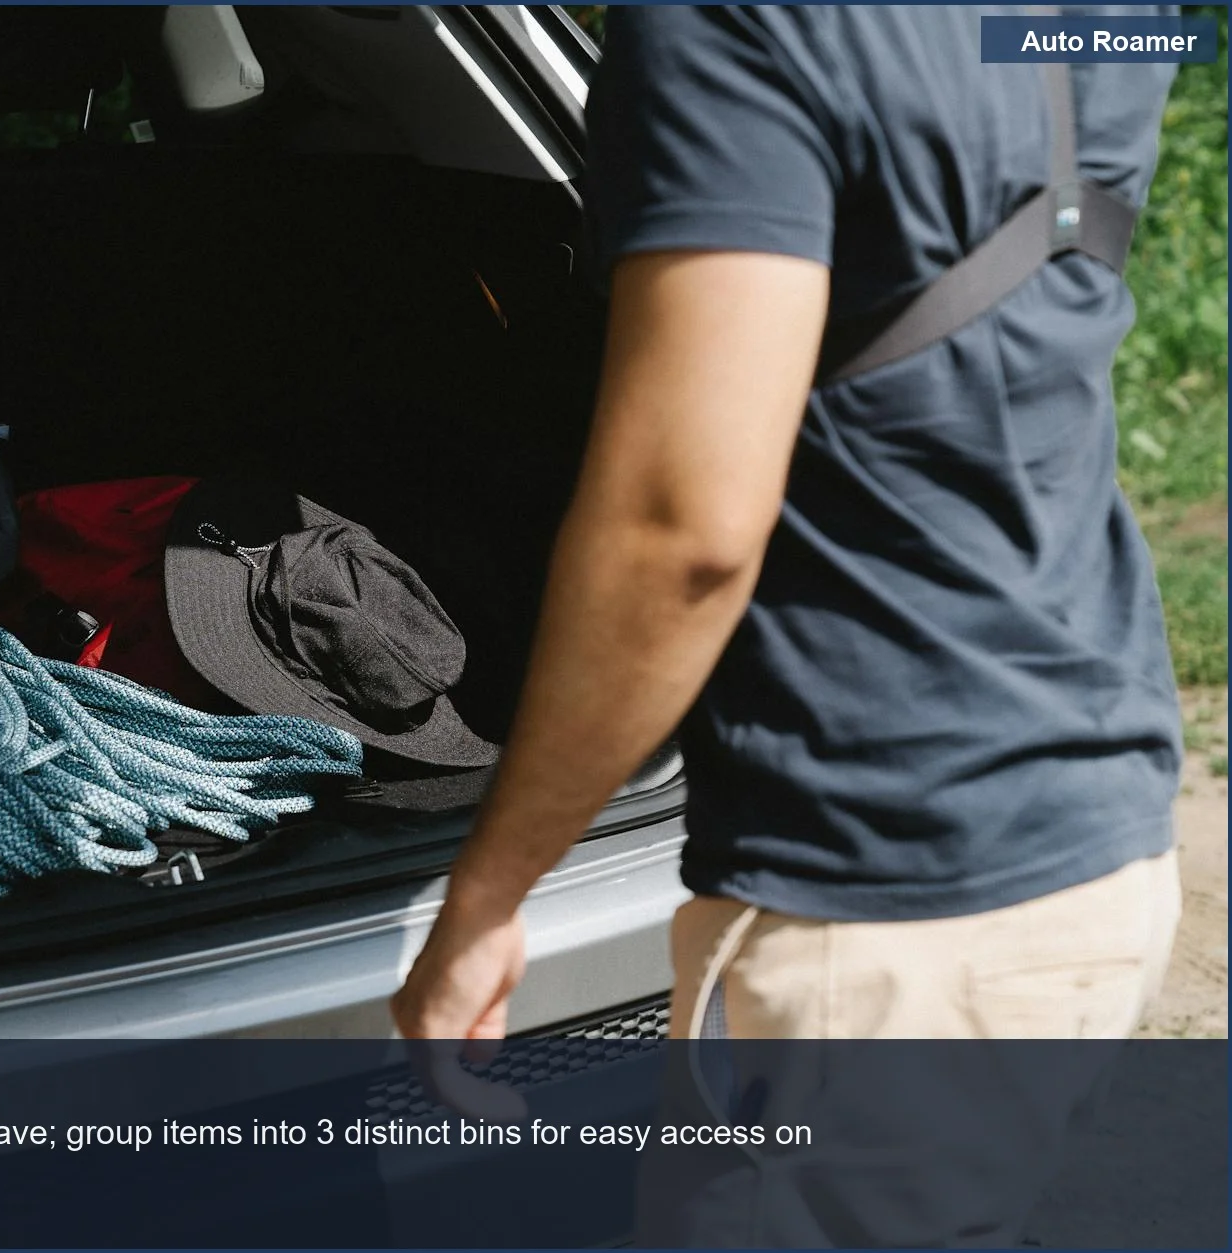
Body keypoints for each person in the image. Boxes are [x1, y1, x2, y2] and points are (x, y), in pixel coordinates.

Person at [391, 6, 1185, 1050]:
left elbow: (684, 538)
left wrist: (488, 896)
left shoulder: (722, 20)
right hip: (1104, 816)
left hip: (886, 897)